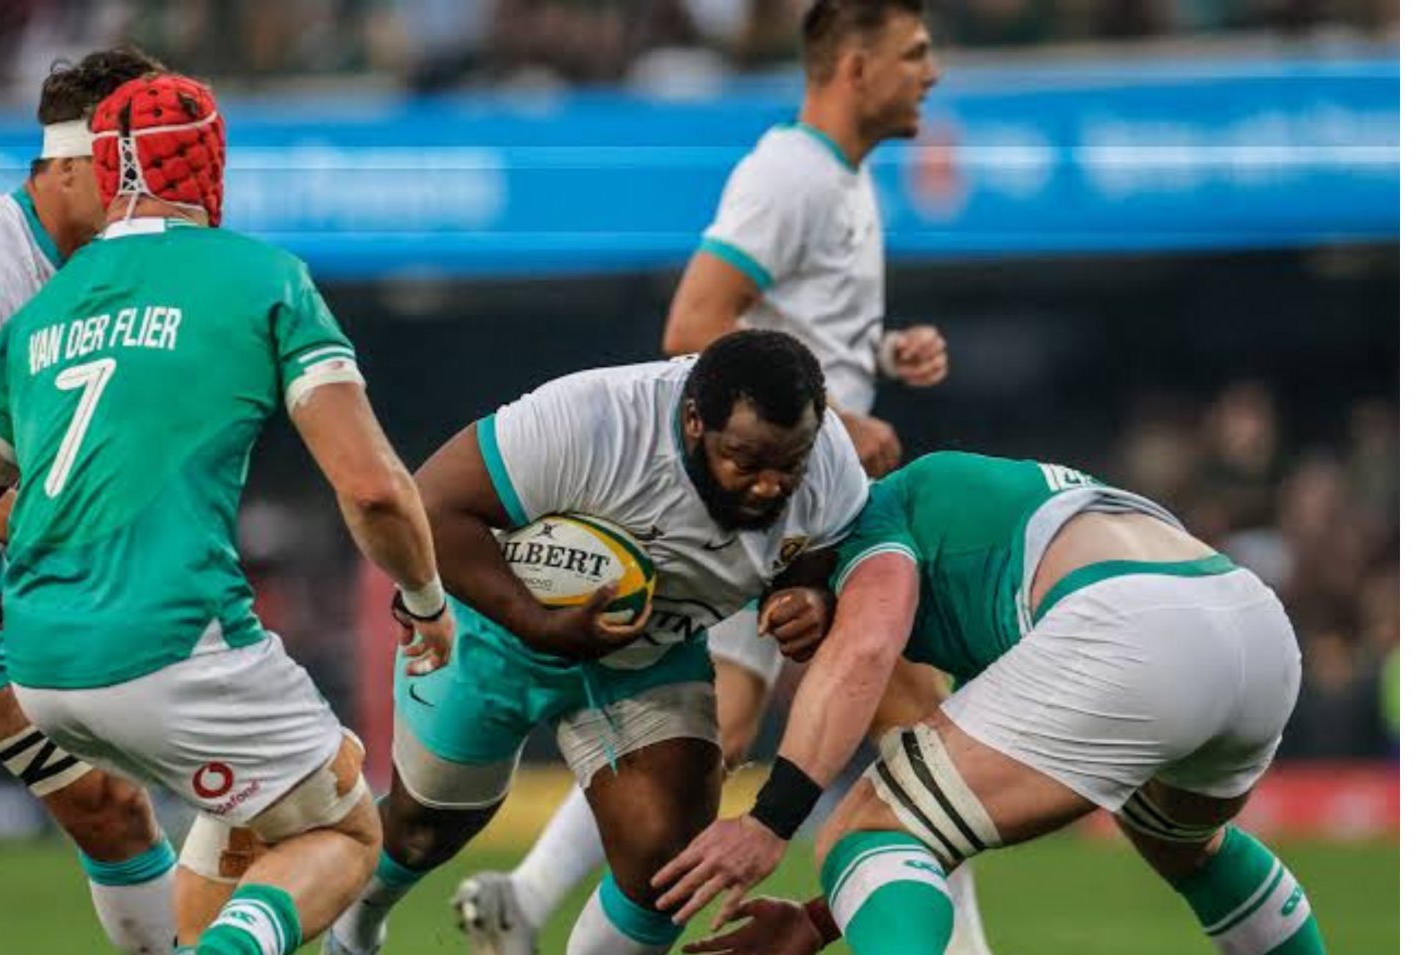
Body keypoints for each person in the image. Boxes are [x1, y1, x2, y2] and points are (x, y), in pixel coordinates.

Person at [455, 4, 993, 954]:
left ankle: (526, 902)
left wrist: (878, 352)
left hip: (797, 501)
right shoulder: (792, 175)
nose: (933, 72)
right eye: (915, 54)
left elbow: (796, 327)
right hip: (776, 505)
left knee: (800, 724)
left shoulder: (843, 181)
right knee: (912, 724)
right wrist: (842, 421)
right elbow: (695, 323)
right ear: (855, 67)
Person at [0, 71, 455, 955]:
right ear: (212, 167)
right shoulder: (261, 276)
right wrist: (428, 600)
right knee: (346, 823)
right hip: (165, 638)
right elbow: (372, 489)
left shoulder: (42, 313)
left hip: (42, 657)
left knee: (223, 801)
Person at [325, 331, 870, 955]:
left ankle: (529, 907)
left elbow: (820, 565)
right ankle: (354, 929)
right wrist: (538, 623)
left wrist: (809, 601)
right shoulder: (592, 419)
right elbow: (429, 506)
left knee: (670, 863)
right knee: (425, 831)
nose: (770, 485)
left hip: (650, 653)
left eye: (789, 465)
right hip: (496, 626)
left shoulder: (831, 465)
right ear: (694, 421)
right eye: (745, 462)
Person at [652, 452, 1327, 955]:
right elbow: (946, 806)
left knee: (865, 831)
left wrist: (769, 822)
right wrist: (817, 922)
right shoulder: (963, 508)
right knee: (1189, 849)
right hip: (1248, 619)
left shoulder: (880, 523)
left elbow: (865, 647)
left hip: (1130, 628)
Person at [0, 47, 179, 954]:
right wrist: (82, 541)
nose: (144, 196)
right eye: (127, 171)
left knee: (111, 806)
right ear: (69, 165)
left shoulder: (98, 279)